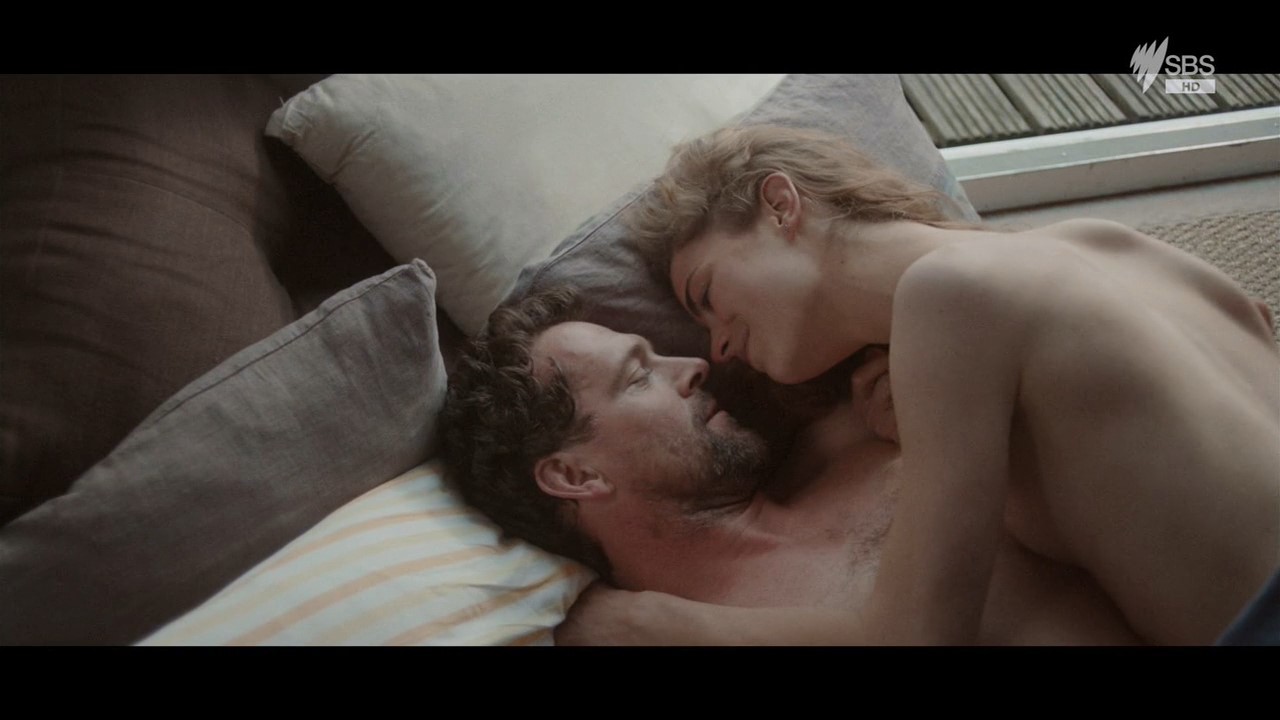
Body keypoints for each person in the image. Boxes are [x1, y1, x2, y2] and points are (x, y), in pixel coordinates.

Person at [588, 123, 1280, 644]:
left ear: (779, 204)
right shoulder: (1098, 242)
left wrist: (654, 622)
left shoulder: (946, 299)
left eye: (707, 294)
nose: (718, 347)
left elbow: (916, 637)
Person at [441, 288, 1148, 645]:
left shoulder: (858, 435)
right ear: (575, 477)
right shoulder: (643, 635)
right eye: (639, 376)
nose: (694, 365)